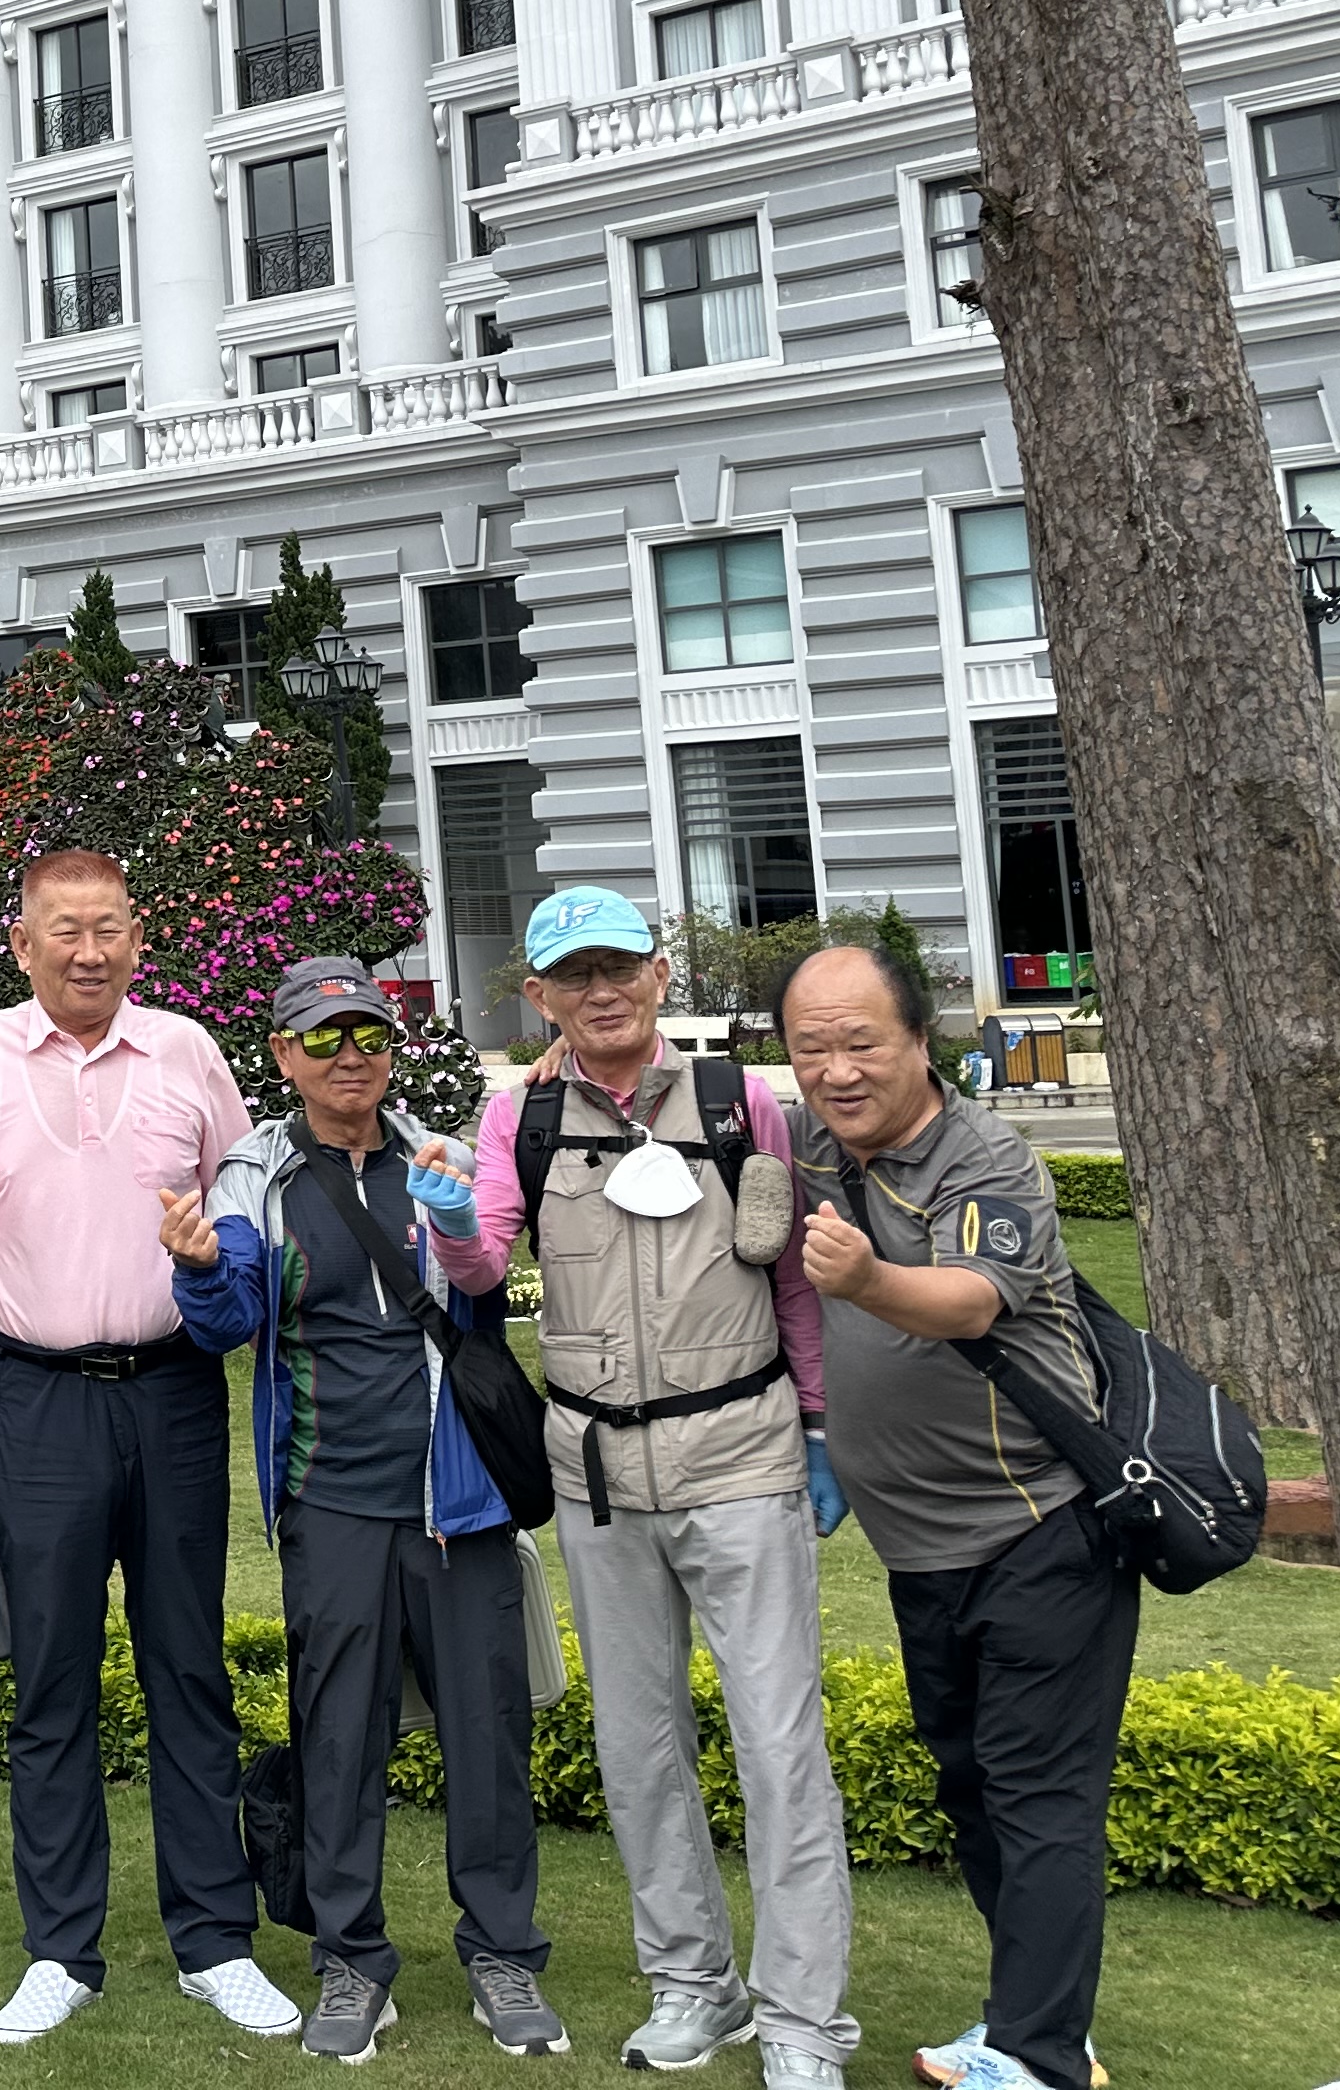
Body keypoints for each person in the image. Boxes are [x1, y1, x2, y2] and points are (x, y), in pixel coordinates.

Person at [433, 886, 853, 2090]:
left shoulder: (739, 1101)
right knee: (637, 1745)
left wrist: (818, 1425)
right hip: (598, 1470)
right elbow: (484, 1267)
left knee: (781, 1746)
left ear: (659, 975)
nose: (601, 991)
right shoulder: (518, 1117)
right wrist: (451, 1223)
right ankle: (692, 1985)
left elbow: (793, 1280)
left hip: (743, 1453)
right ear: (538, 995)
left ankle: (802, 2021)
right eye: (574, 975)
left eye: (620, 967)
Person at [0, 850, 286, 2047]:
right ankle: (61, 1950)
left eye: (107, 927)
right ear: (23, 944)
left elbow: (244, 1202)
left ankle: (214, 1941)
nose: (88, 950)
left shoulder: (187, 1051)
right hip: (36, 1398)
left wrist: (217, 1252)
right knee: (53, 1680)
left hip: (173, 1393)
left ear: (137, 936)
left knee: (189, 1669)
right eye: (63, 930)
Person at [165, 956, 561, 2063]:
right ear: (283, 1054)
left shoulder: (440, 1153)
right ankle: (352, 1960)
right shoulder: (258, 1174)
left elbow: (482, 1289)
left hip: (458, 1498)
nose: (351, 1058)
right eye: (324, 1039)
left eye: (370, 1036)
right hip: (330, 1498)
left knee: (488, 1734)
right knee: (338, 1740)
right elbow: (230, 1320)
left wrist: (459, 1225)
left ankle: (503, 1953)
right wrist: (197, 1269)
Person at [779, 943, 1125, 2090]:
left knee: (1037, 1799)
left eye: (861, 1042)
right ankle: (1036, 2020)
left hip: (1041, 1534)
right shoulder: (814, 1145)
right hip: (921, 1552)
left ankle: (1039, 2056)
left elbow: (971, 1299)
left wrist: (866, 1280)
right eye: (811, 1048)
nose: (837, 1070)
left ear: (921, 1042)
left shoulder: (985, 1158)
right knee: (975, 1792)